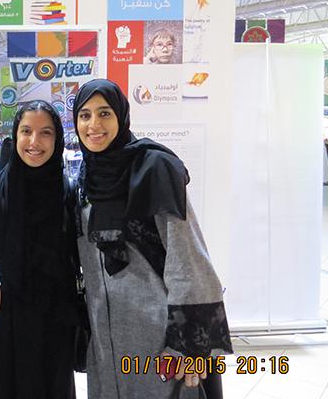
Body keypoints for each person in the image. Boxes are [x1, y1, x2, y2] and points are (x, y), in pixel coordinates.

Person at [72, 79, 232, 399]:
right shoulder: (85, 179)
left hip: (158, 336)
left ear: (121, 116)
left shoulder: (154, 168)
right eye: (85, 115)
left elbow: (188, 258)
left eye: (104, 113)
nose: (94, 125)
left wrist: (187, 346)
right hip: (105, 341)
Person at [0, 100, 82, 398]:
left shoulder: (68, 192)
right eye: (26, 131)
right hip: (7, 322)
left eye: (46, 132)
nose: (34, 142)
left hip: (56, 322)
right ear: (15, 136)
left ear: (57, 139)